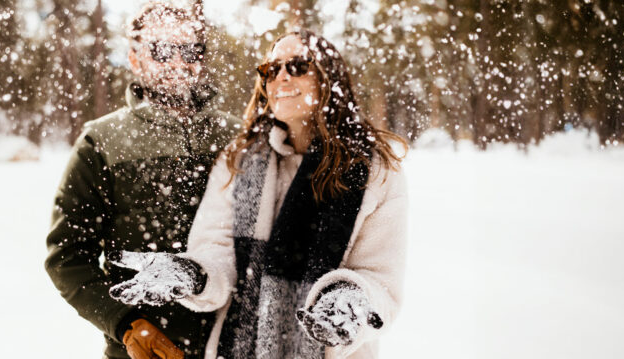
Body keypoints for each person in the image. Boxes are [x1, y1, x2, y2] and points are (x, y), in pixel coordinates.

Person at [108, 29, 409, 358]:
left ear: (329, 79)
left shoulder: (374, 169)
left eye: (296, 66)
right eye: (270, 69)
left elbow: (381, 278)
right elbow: (217, 250)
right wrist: (192, 273)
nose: (280, 77)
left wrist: (351, 298)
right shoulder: (239, 160)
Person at [44, 3, 240, 358]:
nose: (179, 63)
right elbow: (68, 257)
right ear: (135, 60)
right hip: (144, 351)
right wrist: (125, 322)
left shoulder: (239, 136)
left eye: (191, 50)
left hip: (231, 346)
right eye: (162, 51)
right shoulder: (101, 142)